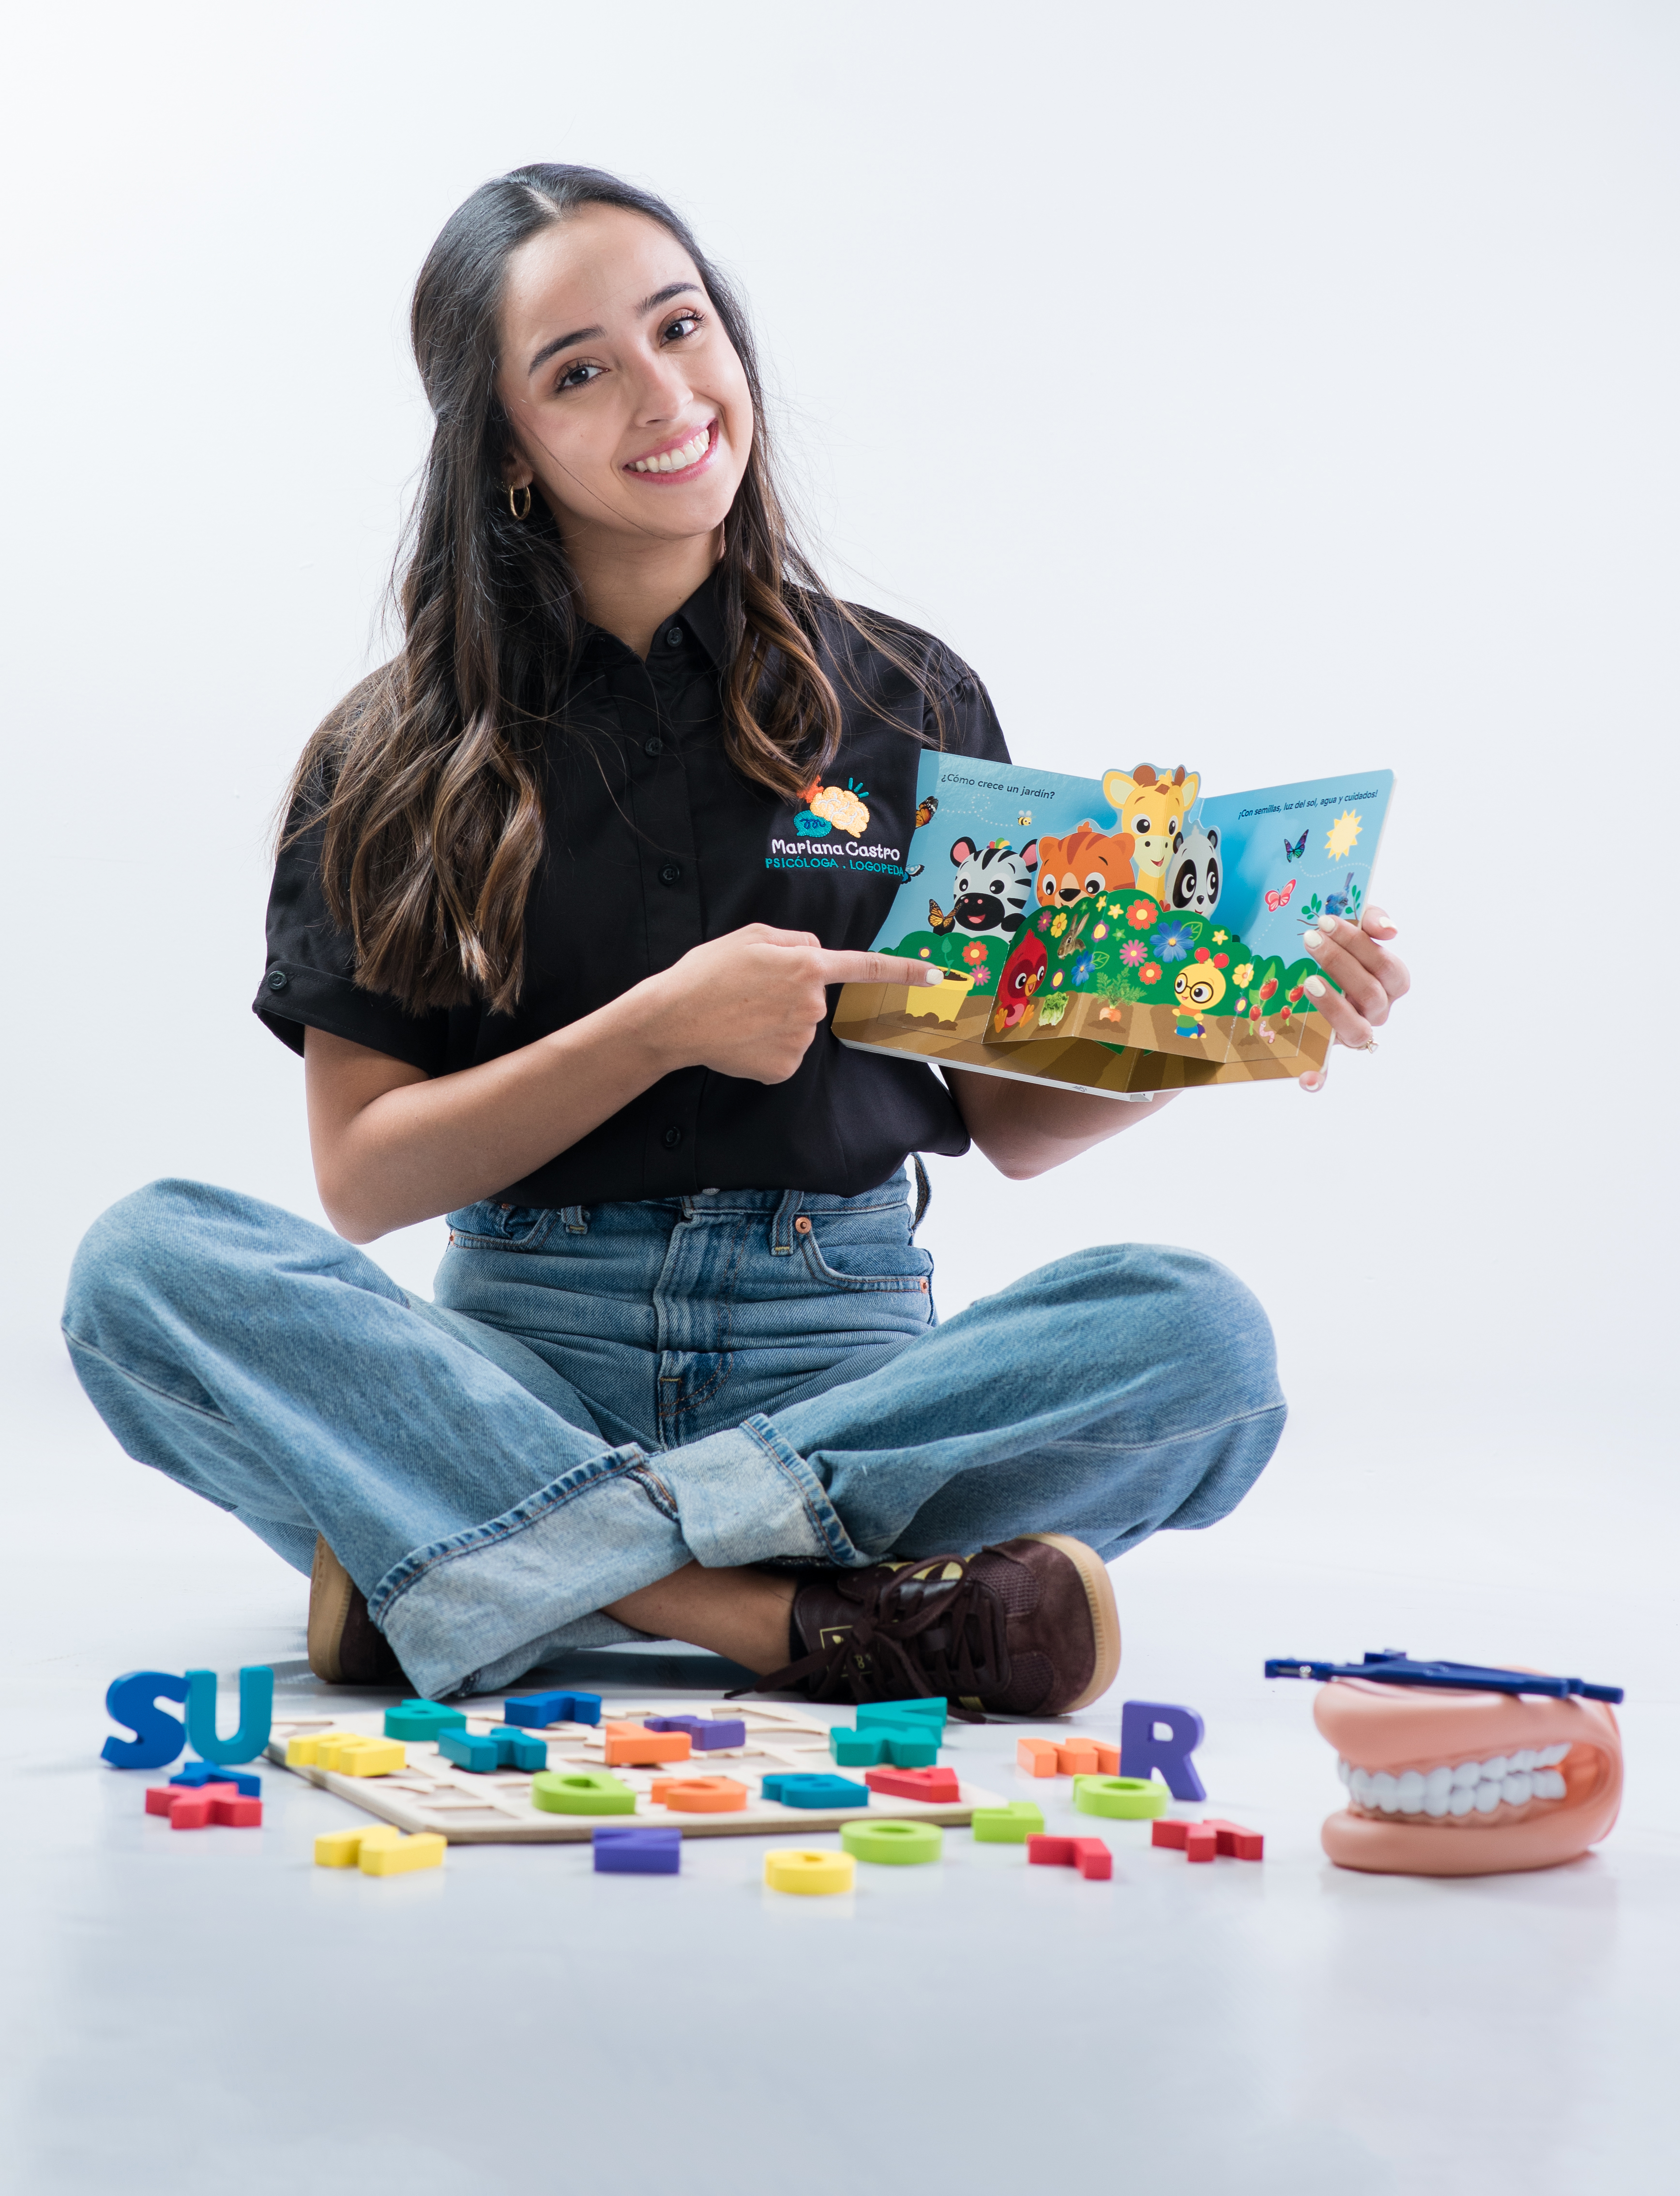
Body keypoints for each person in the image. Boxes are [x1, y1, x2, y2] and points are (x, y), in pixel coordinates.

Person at [62, 165, 1410, 1715]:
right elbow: (366, 1178)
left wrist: (1213, 1015)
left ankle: (474, 1567)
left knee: (1204, 1341)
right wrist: (659, 1027)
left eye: (682, 327)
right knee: (143, 1267)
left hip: (844, 1368)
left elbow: (1015, 1125)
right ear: (507, 449)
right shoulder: (387, 759)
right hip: (518, 1361)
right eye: (581, 371)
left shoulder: (910, 700)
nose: (666, 394)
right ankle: (791, 1622)